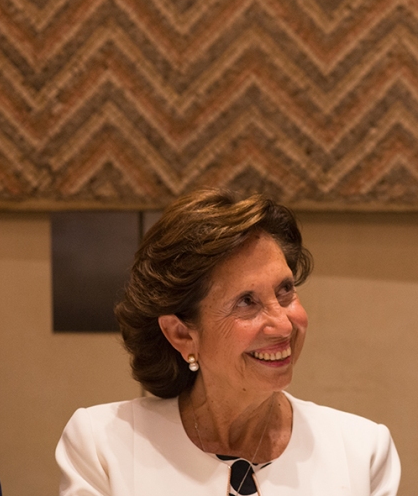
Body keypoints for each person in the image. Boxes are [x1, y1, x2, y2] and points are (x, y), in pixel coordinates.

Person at [56, 189, 400, 496]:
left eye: (285, 290)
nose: (283, 325)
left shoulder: (361, 452)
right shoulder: (103, 446)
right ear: (181, 334)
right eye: (246, 302)